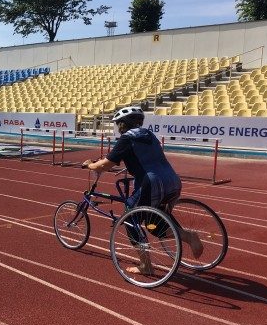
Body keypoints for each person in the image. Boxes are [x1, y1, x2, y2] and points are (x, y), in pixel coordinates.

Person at [82, 106, 203, 274]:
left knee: (130, 217)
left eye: (119, 124)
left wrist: (90, 165)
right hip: (172, 181)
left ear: (124, 125)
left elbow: (105, 165)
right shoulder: (149, 135)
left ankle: (147, 265)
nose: (118, 128)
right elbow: (146, 157)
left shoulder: (126, 139)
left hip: (153, 183)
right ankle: (186, 236)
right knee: (154, 224)